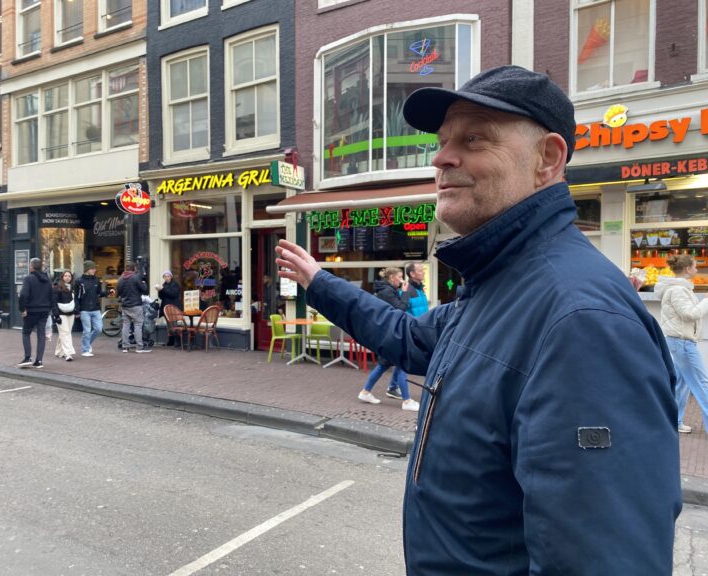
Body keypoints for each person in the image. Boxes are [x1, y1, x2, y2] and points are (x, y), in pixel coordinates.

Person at [275, 65, 680, 574]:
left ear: (547, 159)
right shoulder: (498, 288)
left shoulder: (580, 322)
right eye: (442, 142)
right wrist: (319, 282)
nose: (441, 158)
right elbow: (407, 337)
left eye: (473, 139)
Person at [654, 254, 708, 434]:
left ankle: (674, 422)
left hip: (680, 342)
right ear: (687, 269)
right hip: (682, 343)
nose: (697, 269)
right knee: (702, 384)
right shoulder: (677, 290)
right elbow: (689, 314)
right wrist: (706, 301)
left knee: (681, 385)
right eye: (695, 266)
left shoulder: (680, 288)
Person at [357, 267, 419, 411]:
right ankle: (407, 401)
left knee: (384, 365)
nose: (401, 280)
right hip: (390, 333)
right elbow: (400, 309)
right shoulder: (387, 292)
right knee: (401, 363)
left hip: (387, 332)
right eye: (399, 277)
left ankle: (365, 392)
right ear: (392, 278)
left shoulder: (387, 290)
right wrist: (405, 292)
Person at [385, 262, 429, 399]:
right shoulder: (407, 290)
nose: (423, 272)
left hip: (421, 328)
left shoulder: (420, 289)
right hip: (412, 331)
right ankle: (407, 398)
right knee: (406, 361)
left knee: (401, 362)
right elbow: (402, 310)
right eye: (420, 270)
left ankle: (392, 387)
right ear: (412, 274)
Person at [18, 258, 53, 369]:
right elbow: (52, 295)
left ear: (32, 266)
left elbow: (23, 295)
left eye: (29, 265)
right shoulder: (47, 279)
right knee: (41, 335)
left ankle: (28, 357)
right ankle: (39, 361)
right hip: (44, 311)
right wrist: (49, 309)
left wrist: (22, 309)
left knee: (26, 333)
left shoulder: (28, 279)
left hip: (31, 311)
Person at [75, 260, 109, 358]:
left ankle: (87, 343)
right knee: (87, 330)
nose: (94, 270)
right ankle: (85, 350)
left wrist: (107, 292)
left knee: (98, 329)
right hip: (84, 309)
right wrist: (77, 310)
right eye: (92, 268)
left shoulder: (96, 280)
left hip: (95, 308)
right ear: (87, 269)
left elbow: (99, 293)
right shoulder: (79, 281)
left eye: (94, 268)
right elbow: (76, 297)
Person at [116, 262, 151, 353]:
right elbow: (144, 289)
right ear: (134, 268)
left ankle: (125, 346)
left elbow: (117, 293)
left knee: (125, 326)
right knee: (138, 325)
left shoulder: (120, 278)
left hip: (125, 305)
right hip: (136, 305)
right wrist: (144, 283)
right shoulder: (136, 277)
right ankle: (139, 347)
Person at [53, 270, 77, 361]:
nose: (67, 277)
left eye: (69, 276)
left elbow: (76, 300)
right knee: (65, 333)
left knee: (65, 333)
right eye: (66, 276)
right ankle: (68, 353)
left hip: (70, 313)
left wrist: (76, 310)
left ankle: (59, 351)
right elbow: (54, 302)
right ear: (62, 277)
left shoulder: (73, 288)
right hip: (61, 314)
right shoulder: (57, 287)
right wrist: (56, 316)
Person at [156, 270, 181, 346]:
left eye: (168, 276)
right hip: (166, 307)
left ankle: (177, 341)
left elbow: (173, 294)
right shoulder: (164, 285)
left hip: (173, 307)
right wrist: (159, 290)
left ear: (171, 277)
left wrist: (163, 289)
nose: (166, 278)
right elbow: (161, 297)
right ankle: (171, 340)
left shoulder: (175, 284)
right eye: (165, 276)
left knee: (173, 324)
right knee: (169, 325)